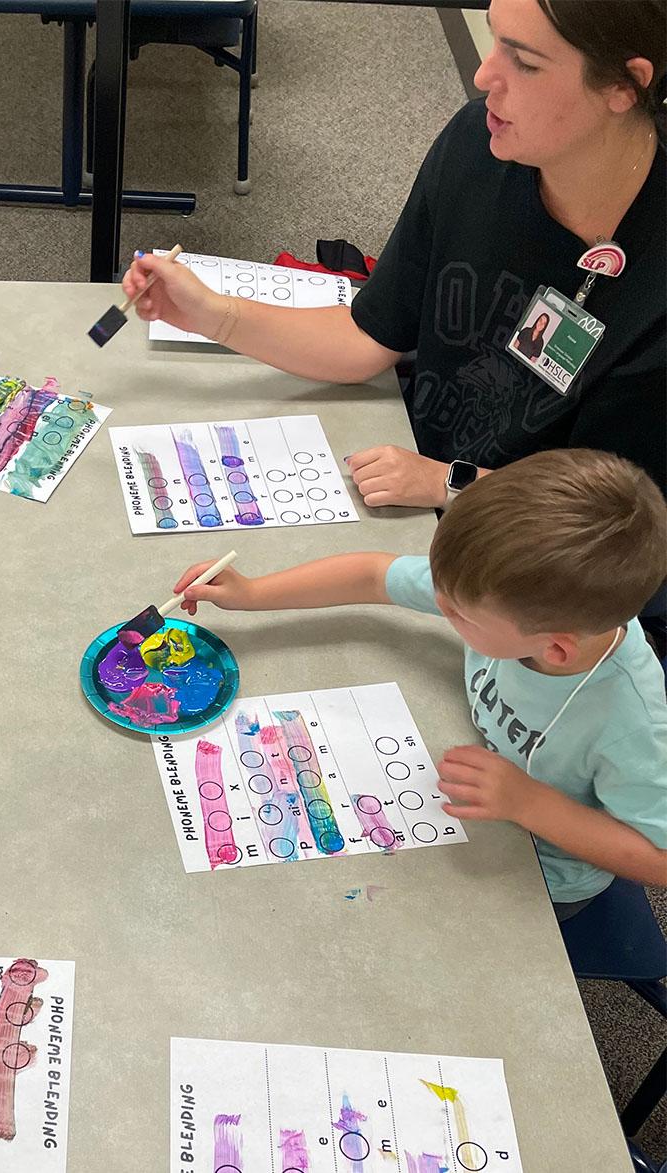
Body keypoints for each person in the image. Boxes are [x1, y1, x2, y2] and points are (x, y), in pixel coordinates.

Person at [123, 0, 666, 508]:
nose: (483, 77)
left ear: (624, 85)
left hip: (547, 562)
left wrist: (450, 484)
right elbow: (369, 337)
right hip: (416, 475)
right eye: (494, 40)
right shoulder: (479, 144)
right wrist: (212, 314)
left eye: (523, 62)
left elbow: (621, 528)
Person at [173, 449, 667, 919]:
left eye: (459, 616)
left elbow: (659, 862)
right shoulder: (498, 592)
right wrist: (254, 592)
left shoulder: (633, 723)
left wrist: (529, 802)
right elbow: (371, 575)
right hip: (475, 801)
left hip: (540, 876)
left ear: (554, 649)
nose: (441, 608)